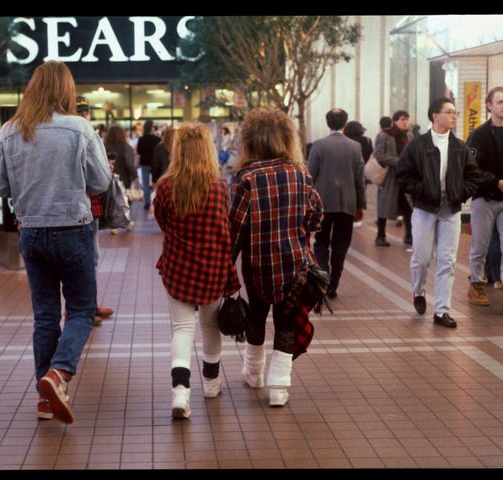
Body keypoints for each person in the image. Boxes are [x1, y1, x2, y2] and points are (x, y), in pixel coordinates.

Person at [0, 61, 111, 423]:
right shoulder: (79, 128)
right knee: (81, 310)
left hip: (31, 232)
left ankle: (44, 400)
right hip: (73, 229)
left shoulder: (12, 130)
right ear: (67, 91)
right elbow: (101, 181)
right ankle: (58, 374)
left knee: (45, 317)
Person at [229, 108, 323, 407]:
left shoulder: (246, 178)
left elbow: (236, 229)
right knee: (286, 323)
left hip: (258, 266)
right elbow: (316, 216)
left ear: (250, 141)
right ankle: (279, 389)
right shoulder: (300, 173)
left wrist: (226, 266)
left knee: (256, 317)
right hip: (295, 265)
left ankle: (253, 374)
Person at [153, 122, 240, 419]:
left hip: (177, 268)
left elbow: (162, 222)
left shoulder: (165, 186)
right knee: (210, 326)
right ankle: (211, 383)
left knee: (181, 328)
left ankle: (180, 392)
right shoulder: (219, 188)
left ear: (177, 150)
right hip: (213, 268)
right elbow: (224, 230)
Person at [396, 97, 480, 328]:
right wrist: (422, 190)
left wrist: (460, 194)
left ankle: (442, 310)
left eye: (456, 112)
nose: (455, 116)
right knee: (421, 258)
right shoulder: (418, 145)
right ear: (435, 115)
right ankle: (418, 291)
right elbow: (402, 175)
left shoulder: (460, 147)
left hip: (450, 209)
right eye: (450, 112)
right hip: (424, 208)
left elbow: (474, 176)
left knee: (447, 261)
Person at [307, 108, 366, 299]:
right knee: (341, 245)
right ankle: (333, 284)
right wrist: (360, 205)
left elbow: (310, 175)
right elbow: (359, 180)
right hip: (347, 204)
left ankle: (323, 279)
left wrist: (307, 201)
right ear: (345, 124)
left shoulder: (318, 145)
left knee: (321, 242)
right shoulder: (355, 147)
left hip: (322, 204)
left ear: (327, 123)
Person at [76, 96, 117, 325]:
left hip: (91, 206)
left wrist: (106, 169)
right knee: (85, 259)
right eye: (80, 111)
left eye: (85, 111)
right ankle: (84, 310)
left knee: (92, 257)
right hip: (80, 208)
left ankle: (90, 304)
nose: (84, 115)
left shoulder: (90, 135)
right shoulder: (79, 136)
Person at [467, 86, 503, 310]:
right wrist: (495, 182)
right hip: (484, 199)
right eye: (500, 101)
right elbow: (471, 169)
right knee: (480, 247)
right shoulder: (478, 136)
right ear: (489, 106)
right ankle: (476, 285)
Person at [374, 111, 414, 248]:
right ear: (395, 121)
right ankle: (380, 236)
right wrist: (398, 161)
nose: (405, 122)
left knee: (408, 206)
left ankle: (409, 235)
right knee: (384, 206)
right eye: (402, 119)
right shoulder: (384, 135)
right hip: (389, 177)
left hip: (405, 177)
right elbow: (379, 154)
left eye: (407, 119)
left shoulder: (409, 136)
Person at [104, 123, 138, 235]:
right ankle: (126, 222)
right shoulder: (125, 147)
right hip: (123, 177)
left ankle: (114, 225)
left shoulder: (104, 146)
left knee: (112, 200)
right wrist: (134, 175)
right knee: (125, 200)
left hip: (107, 177)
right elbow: (129, 163)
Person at [344, 120, 372, 229]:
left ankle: (348, 215)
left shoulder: (346, 141)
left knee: (348, 194)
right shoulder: (367, 140)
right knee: (360, 193)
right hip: (362, 171)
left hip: (347, 171)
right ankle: (357, 216)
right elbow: (370, 155)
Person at [137, 119, 161, 210]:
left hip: (144, 164)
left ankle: (147, 203)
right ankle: (158, 202)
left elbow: (139, 151)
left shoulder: (141, 139)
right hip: (155, 165)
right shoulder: (157, 139)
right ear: (152, 128)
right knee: (157, 184)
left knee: (146, 185)